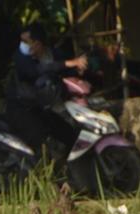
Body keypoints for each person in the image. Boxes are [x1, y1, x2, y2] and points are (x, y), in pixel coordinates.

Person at [5, 22, 87, 152]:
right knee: (40, 142)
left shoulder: (54, 54)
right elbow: (38, 70)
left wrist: (78, 70)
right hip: (23, 109)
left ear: (38, 43)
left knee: (69, 135)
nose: (23, 45)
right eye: (22, 41)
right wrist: (69, 63)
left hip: (46, 108)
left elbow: (69, 72)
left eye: (26, 41)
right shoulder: (21, 58)